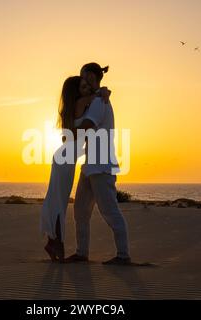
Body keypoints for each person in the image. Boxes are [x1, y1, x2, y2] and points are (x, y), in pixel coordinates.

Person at [66, 63, 132, 265]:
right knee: (80, 211)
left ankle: (123, 256)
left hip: (101, 166)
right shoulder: (95, 99)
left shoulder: (99, 103)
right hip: (90, 166)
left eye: (83, 76)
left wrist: (68, 132)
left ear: (92, 76)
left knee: (110, 211)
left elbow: (86, 126)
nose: (81, 80)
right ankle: (81, 253)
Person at [41, 76, 111, 262]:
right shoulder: (83, 101)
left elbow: (69, 138)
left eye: (88, 85)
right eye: (83, 85)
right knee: (59, 203)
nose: (87, 88)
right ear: (76, 90)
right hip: (65, 160)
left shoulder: (70, 108)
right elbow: (98, 95)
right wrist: (103, 91)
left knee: (57, 201)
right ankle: (56, 243)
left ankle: (54, 242)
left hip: (64, 158)